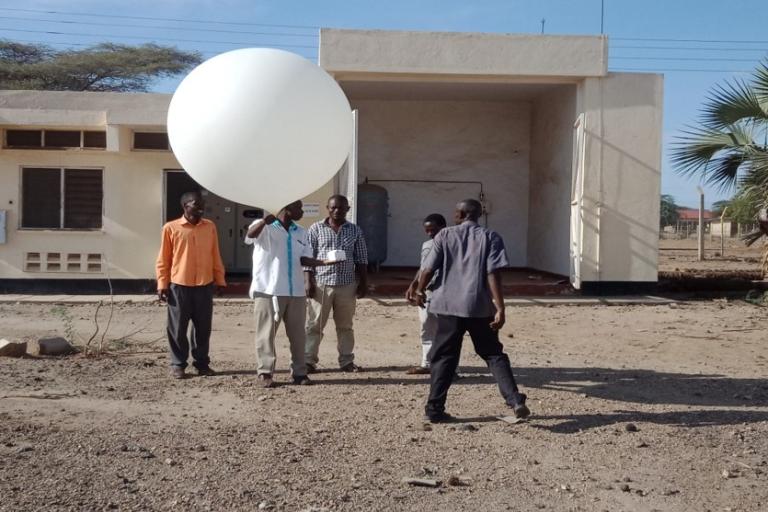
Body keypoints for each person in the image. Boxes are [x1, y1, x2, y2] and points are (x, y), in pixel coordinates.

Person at [415, 199, 530, 422]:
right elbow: (493, 273)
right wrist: (500, 307)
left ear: (459, 214)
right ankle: (515, 400)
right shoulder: (491, 237)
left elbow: (428, 268)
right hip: (479, 307)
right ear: (478, 214)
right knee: (493, 354)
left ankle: (434, 409)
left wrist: (419, 290)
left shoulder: (444, 235)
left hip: (447, 307)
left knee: (443, 357)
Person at [244, 200, 335, 388]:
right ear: (286, 209)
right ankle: (265, 372)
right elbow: (250, 236)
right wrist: (264, 221)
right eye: (298, 208)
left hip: (295, 291)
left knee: (298, 335)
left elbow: (303, 258)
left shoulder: (301, 232)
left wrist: (324, 262)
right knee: (266, 334)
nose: (302, 211)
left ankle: (299, 372)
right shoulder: (264, 227)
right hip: (269, 290)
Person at [156, 190, 226, 380]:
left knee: (203, 328)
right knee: (177, 328)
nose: (201, 206)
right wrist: (162, 284)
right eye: (196, 203)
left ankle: (202, 364)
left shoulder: (209, 227)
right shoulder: (170, 228)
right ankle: (178, 364)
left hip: (204, 285)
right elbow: (164, 259)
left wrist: (220, 279)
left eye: (202, 203)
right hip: (179, 285)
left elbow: (215, 254)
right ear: (185, 206)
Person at [303, 195, 368, 373]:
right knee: (314, 325)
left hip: (347, 285)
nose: (337, 211)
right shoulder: (316, 229)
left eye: (341, 208)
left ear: (347, 209)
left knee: (345, 326)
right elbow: (308, 257)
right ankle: (308, 361)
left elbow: (361, 258)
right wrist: (308, 281)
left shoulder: (355, 230)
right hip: (321, 284)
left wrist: (363, 283)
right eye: (333, 208)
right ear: (328, 208)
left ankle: (346, 361)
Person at [405, 213, 447, 374]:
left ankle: (449, 366)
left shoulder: (452, 244)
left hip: (444, 291)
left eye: (433, 230)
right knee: (426, 327)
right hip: (427, 292)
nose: (430, 233)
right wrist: (414, 284)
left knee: (447, 330)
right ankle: (427, 363)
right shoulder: (427, 245)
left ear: (443, 227)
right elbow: (424, 267)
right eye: (427, 230)